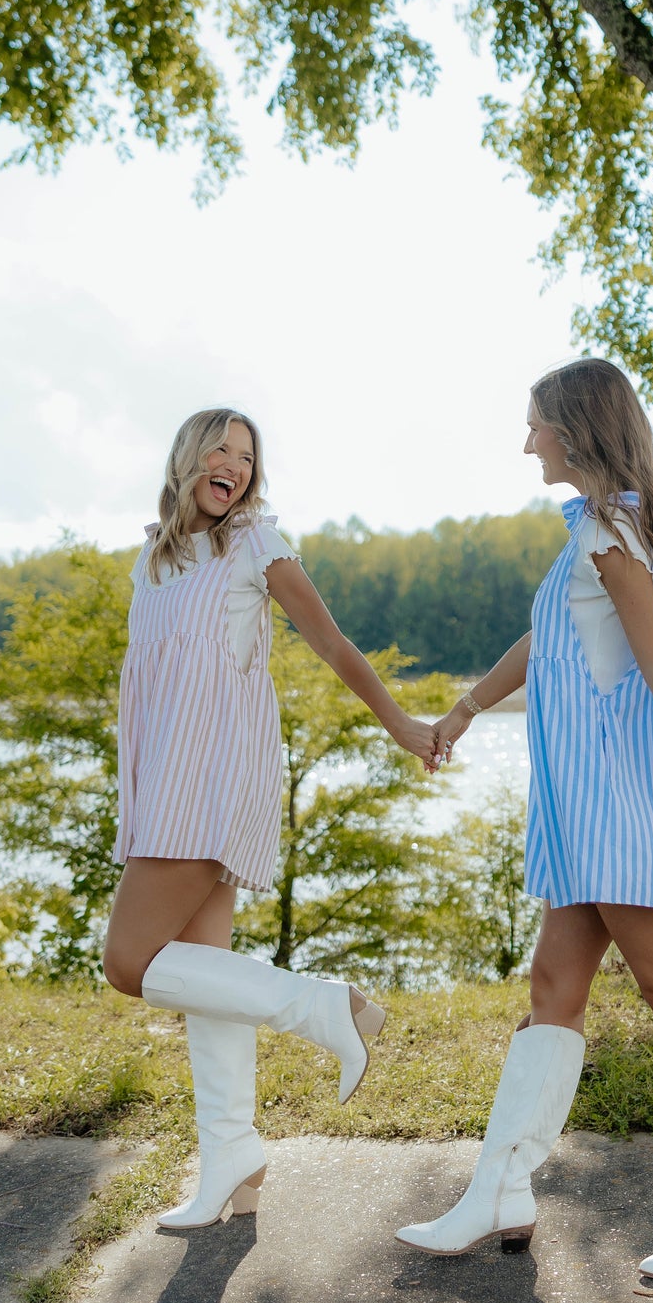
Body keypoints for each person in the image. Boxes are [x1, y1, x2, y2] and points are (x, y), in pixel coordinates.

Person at [396, 358, 653, 1282]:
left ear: (571, 431)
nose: (524, 440)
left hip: (622, 802)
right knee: (551, 991)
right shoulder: (589, 535)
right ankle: (500, 1192)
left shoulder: (611, 533)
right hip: (579, 811)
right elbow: (547, 640)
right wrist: (464, 709)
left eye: (533, 424)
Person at [102, 406, 438, 1233]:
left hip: (213, 778)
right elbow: (147, 690)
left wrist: (401, 726)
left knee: (127, 962)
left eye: (246, 456)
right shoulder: (154, 557)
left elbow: (329, 642)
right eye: (219, 449)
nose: (234, 465)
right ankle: (232, 1157)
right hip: (164, 784)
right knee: (202, 970)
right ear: (186, 458)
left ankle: (327, 1010)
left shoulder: (258, 541)